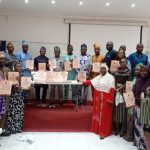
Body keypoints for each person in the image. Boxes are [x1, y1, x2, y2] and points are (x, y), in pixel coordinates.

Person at [84, 64, 115, 139]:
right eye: (101, 69)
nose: (102, 70)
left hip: (106, 99)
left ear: (107, 69)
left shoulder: (110, 78)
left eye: (104, 69)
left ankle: (103, 132)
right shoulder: (99, 77)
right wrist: (82, 80)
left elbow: (112, 88)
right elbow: (91, 82)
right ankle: (96, 129)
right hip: (98, 98)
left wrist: (110, 99)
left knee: (104, 115)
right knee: (98, 113)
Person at [133, 66, 150, 150]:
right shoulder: (138, 81)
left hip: (146, 109)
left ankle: (145, 146)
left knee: (144, 127)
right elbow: (133, 91)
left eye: (145, 71)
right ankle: (138, 143)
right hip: (137, 107)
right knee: (137, 126)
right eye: (141, 71)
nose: (143, 73)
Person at [113, 58, 131, 137]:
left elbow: (128, 82)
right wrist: (116, 87)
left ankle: (122, 130)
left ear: (127, 63)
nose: (122, 63)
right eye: (121, 62)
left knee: (123, 112)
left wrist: (121, 88)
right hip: (117, 92)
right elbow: (115, 80)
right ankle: (117, 129)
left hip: (124, 92)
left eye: (124, 62)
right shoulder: (117, 70)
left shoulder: (128, 71)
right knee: (116, 111)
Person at [6, 62, 25, 134]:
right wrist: (12, 85)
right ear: (14, 67)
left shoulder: (23, 76)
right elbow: (6, 84)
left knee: (19, 112)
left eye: (20, 66)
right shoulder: (10, 75)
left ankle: (18, 127)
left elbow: (25, 87)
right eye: (17, 66)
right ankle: (11, 128)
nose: (18, 68)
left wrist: (20, 81)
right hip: (13, 96)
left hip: (20, 96)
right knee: (12, 112)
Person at [0, 52, 11, 136]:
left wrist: (16, 81)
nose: (3, 60)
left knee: (4, 112)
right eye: (1, 58)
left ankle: (2, 129)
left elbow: (12, 81)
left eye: (4, 59)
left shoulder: (7, 70)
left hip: (6, 95)